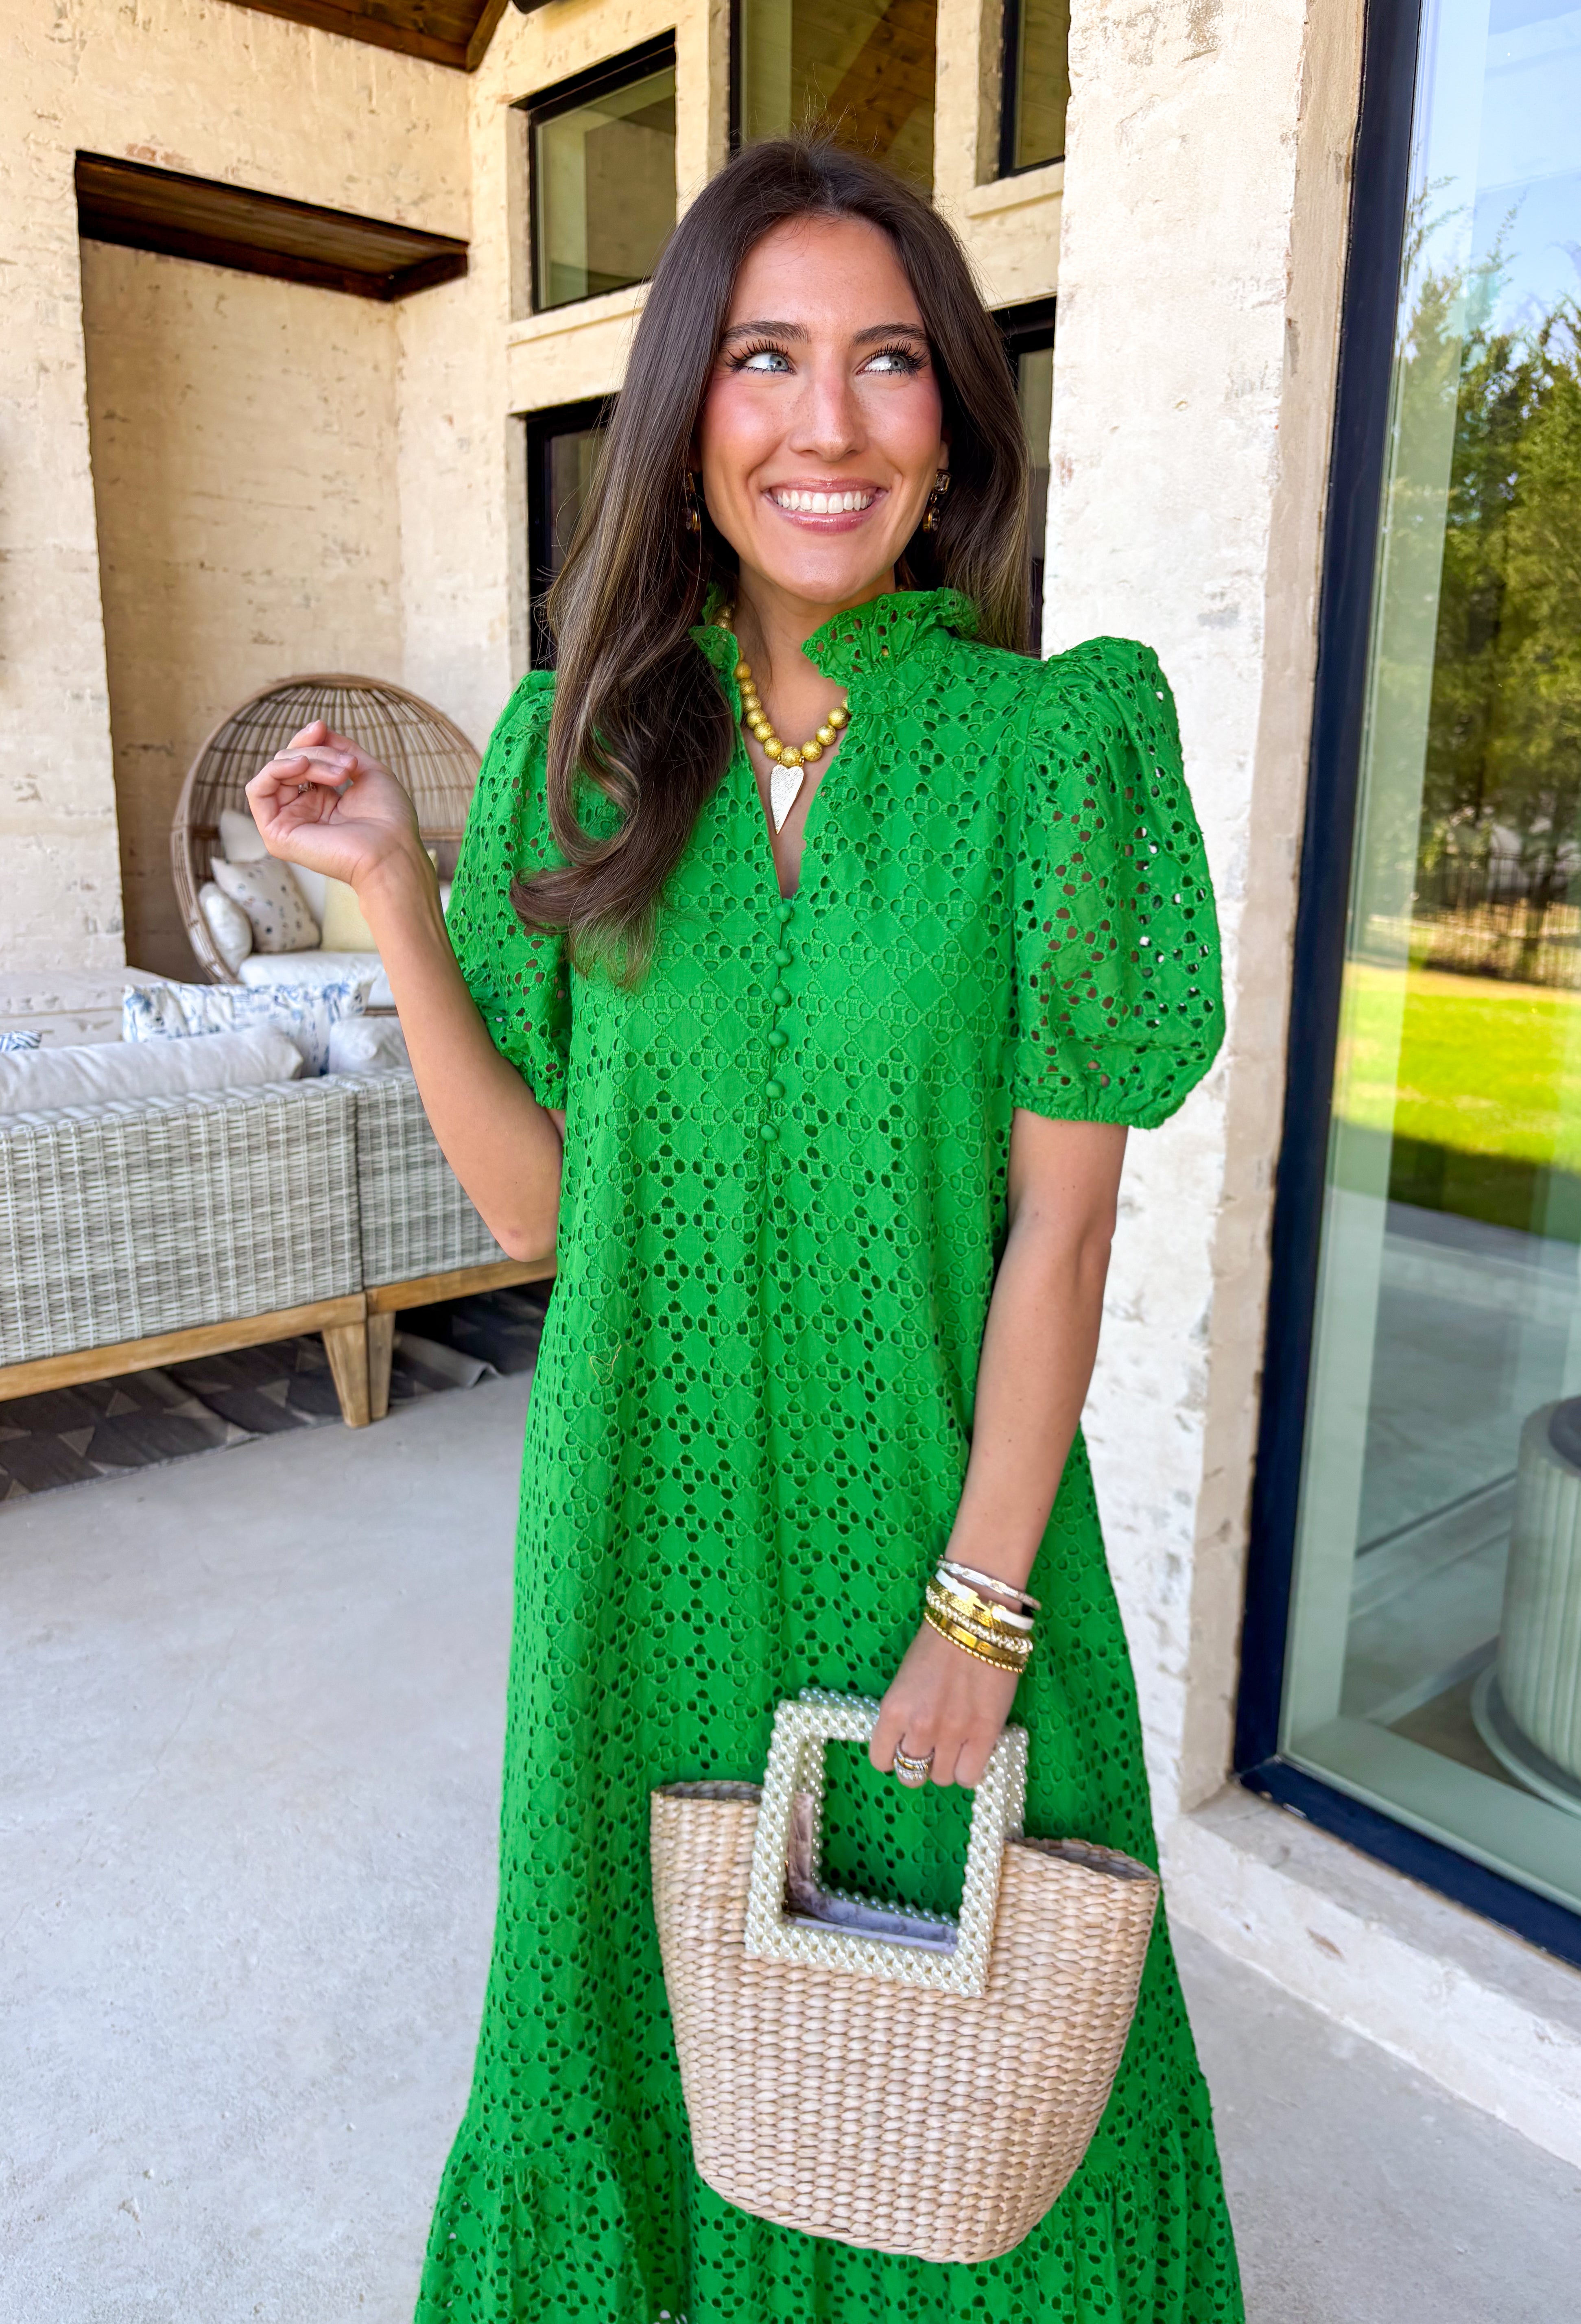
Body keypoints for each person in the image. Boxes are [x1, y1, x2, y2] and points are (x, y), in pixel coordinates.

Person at [247, 135, 1241, 2324]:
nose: (831, 421)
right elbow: (545, 1218)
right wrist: (398, 900)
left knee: (986, 2071)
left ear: (957, 419)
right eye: (770, 360)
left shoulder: (1051, 753)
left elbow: (1062, 1244)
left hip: (940, 1544)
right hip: (633, 1551)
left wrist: (978, 1620)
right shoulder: (580, 755)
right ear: (690, 419)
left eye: (891, 365)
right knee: (641, 2042)